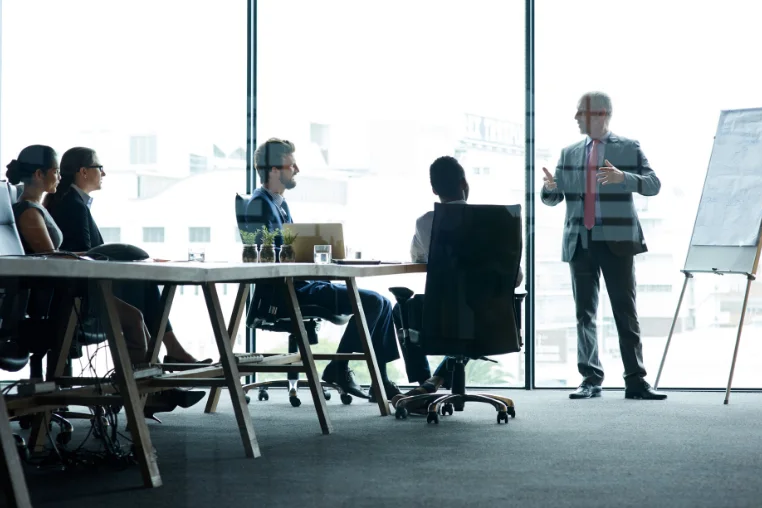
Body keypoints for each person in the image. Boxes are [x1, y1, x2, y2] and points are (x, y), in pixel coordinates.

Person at [6, 145, 204, 415]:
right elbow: (49, 259)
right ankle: (146, 393)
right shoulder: (29, 212)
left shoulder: (39, 208)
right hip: (64, 300)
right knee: (133, 318)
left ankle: (153, 389)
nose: (59, 177)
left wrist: (103, 256)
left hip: (70, 294)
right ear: (40, 174)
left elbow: (60, 254)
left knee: (135, 316)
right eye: (55, 171)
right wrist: (97, 257)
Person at [245, 138, 401, 401]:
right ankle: (341, 367)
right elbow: (269, 256)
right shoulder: (259, 205)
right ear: (273, 170)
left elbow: (288, 249)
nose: (297, 169)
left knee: (382, 302)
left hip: (302, 284)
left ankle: (379, 381)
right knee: (375, 303)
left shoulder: (279, 204)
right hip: (289, 292)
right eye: (291, 165)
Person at [540, 92, 666, 400]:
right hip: (580, 242)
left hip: (617, 242)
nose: (575, 118)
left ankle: (635, 381)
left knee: (625, 312)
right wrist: (549, 188)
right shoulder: (569, 153)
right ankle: (590, 379)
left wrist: (624, 177)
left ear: (600, 114)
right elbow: (554, 198)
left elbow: (653, 185)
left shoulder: (628, 147)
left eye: (580, 112)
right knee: (584, 314)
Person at [44, 146, 207, 364]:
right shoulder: (73, 205)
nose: (103, 173)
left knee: (146, 285)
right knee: (145, 288)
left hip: (87, 287)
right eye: (99, 167)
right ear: (83, 172)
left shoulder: (72, 202)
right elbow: (87, 257)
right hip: (85, 293)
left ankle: (168, 354)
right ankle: (165, 357)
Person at [402, 156, 523, 395]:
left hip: (441, 314)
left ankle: (425, 382)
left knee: (402, 310)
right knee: (470, 317)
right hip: (492, 315)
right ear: (464, 183)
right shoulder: (497, 221)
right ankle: (436, 379)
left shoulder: (425, 222)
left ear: (434, 189)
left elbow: (418, 258)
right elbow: (515, 279)